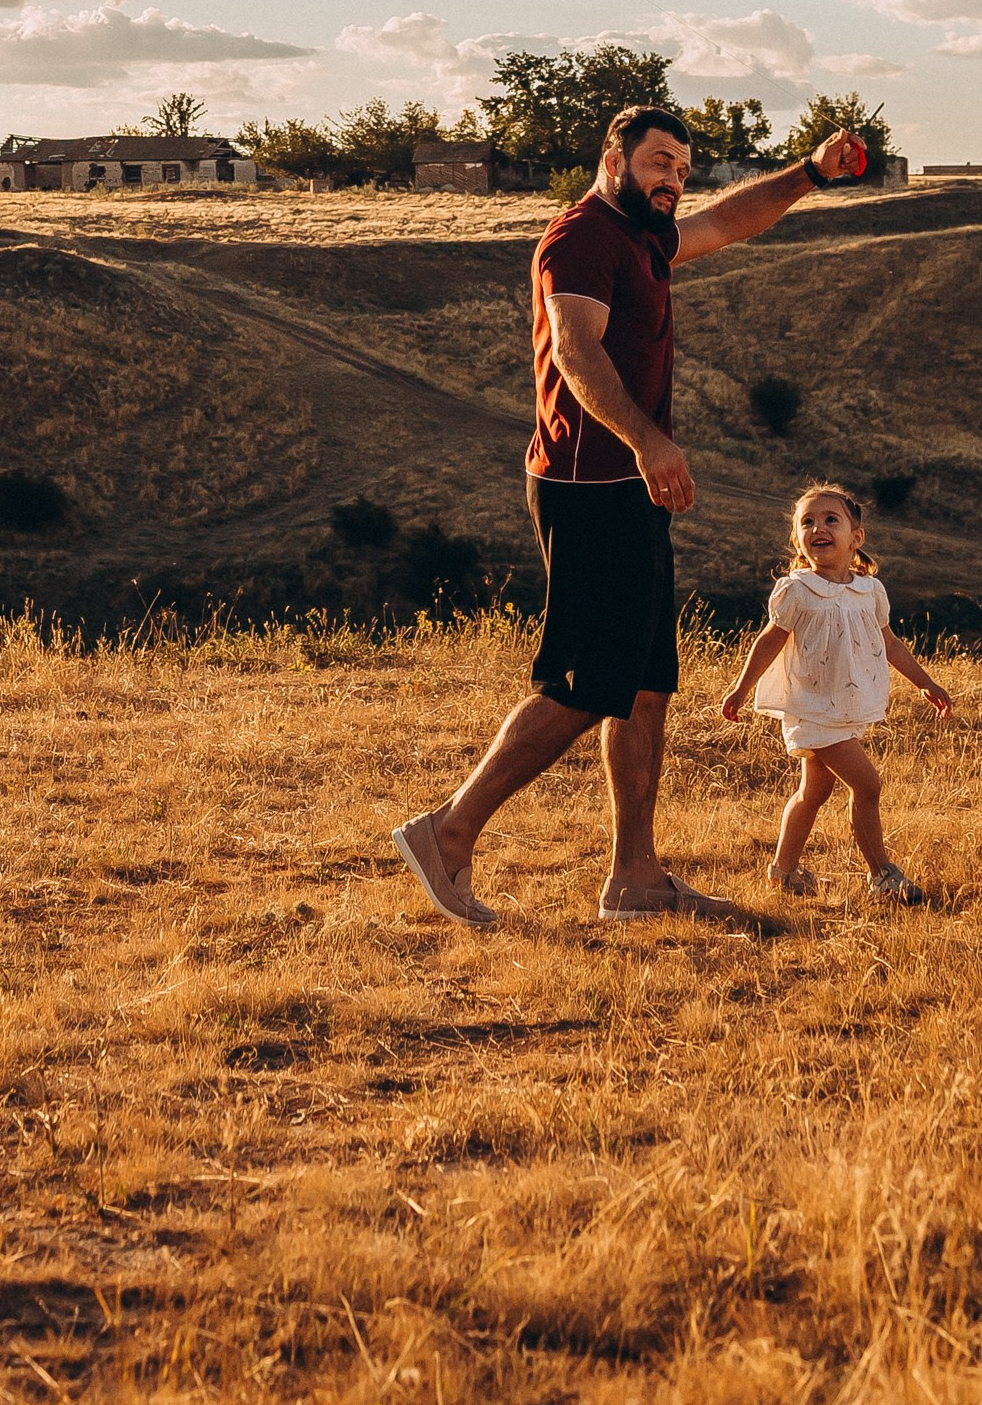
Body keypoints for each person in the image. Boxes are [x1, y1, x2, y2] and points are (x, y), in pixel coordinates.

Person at [391, 101, 867, 928]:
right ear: (613, 158)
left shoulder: (647, 234)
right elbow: (577, 353)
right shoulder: (581, 238)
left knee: (645, 690)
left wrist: (813, 172)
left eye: (682, 167)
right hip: (589, 488)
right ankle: (448, 832)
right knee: (584, 686)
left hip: (631, 489)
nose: (674, 179)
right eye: (658, 162)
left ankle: (636, 880)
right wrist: (649, 443)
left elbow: (730, 220)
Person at [719, 481, 951, 900]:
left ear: (855, 537)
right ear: (798, 540)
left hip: (845, 704)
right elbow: (769, 640)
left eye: (830, 519)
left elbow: (889, 643)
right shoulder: (796, 589)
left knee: (815, 790)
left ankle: (782, 873)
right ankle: (882, 875)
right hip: (811, 707)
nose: (817, 528)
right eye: (806, 522)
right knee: (868, 786)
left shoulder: (869, 591)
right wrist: (741, 689)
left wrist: (926, 683)